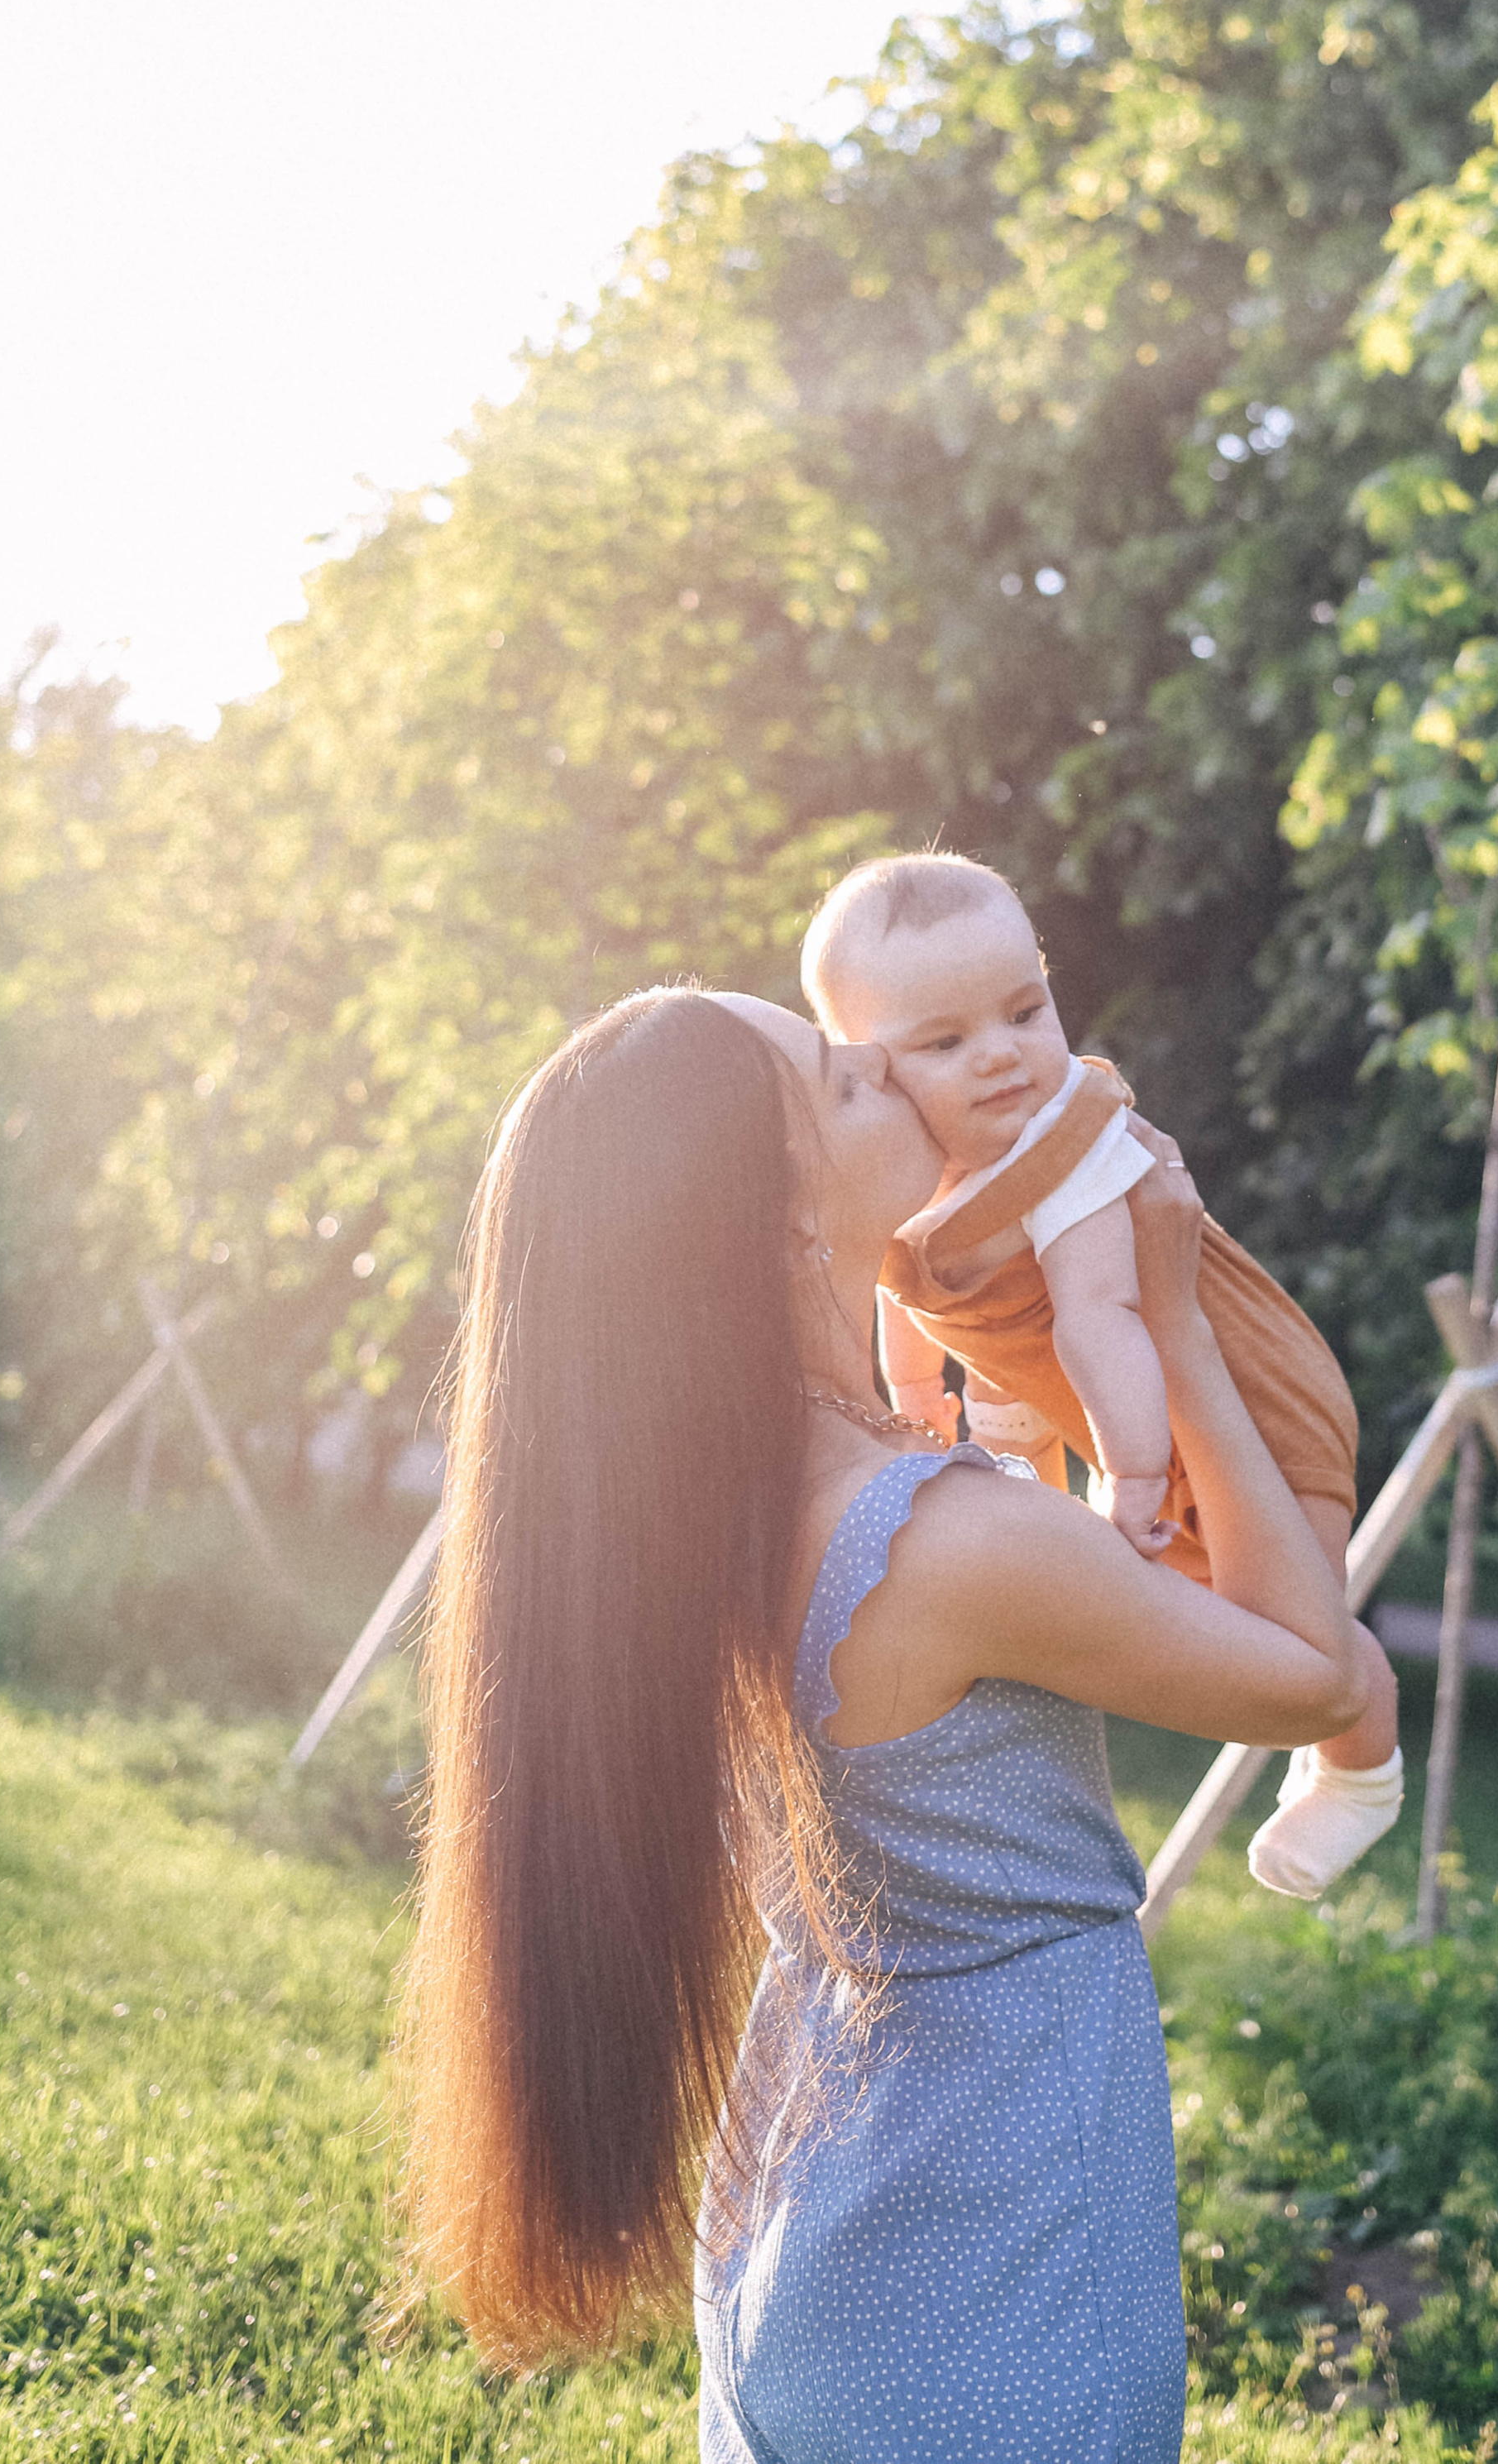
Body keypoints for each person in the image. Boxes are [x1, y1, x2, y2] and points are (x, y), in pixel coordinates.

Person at [404, 980, 1367, 2462]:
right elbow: (1313, 1672)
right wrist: (1163, 1316)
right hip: (993, 2278)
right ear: (783, 1218)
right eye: (848, 1082)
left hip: (803, 2239)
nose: (902, 1078)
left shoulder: (696, 1520)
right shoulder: (940, 1541)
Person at [801, 850, 1402, 1899]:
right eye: (944, 1041)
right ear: (872, 1065)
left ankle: (1361, 1774)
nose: (1001, 1057)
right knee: (1212, 1605)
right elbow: (903, 1292)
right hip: (1122, 1413)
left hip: (1247, 1393)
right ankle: (1339, 1747)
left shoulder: (1062, 1146)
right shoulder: (910, 1170)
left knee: (1305, 1618)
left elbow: (1101, 1315)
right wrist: (915, 1402)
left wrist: (1125, 1482)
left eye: (1024, 1012)